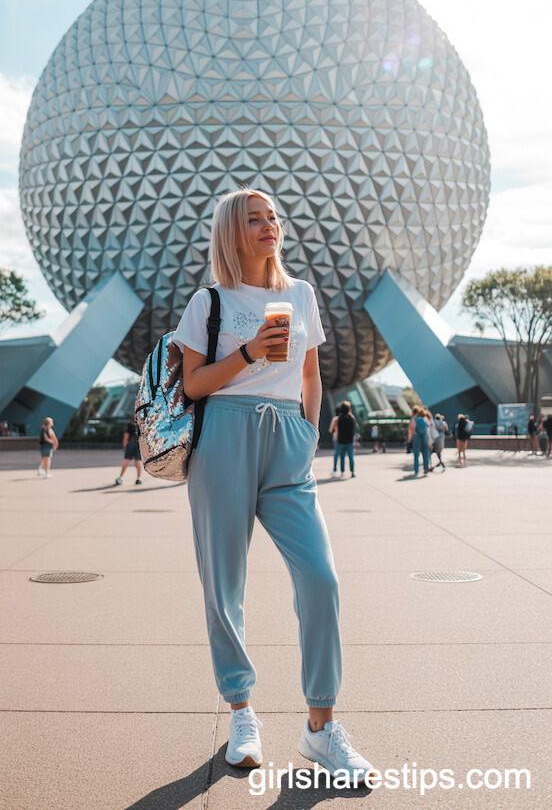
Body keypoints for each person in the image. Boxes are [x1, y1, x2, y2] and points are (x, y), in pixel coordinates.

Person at [173, 188, 374, 783]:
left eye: (273, 217)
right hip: (224, 437)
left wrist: (307, 431)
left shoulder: (301, 294)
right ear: (232, 232)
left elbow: (310, 373)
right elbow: (192, 384)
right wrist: (249, 352)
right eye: (255, 219)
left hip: (288, 438)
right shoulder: (209, 301)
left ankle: (321, 727)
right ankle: (241, 712)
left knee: (321, 579)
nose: (270, 226)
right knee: (224, 585)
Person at [334, 401, 357, 478]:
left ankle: (342, 472)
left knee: (342, 457)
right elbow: (354, 429)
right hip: (350, 440)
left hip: (341, 440)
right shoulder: (351, 417)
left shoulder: (339, 418)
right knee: (351, 457)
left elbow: (338, 429)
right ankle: (352, 472)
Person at [409, 408, 430, 476]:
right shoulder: (425, 420)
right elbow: (428, 430)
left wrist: (409, 439)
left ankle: (416, 471)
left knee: (416, 455)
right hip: (425, 438)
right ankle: (426, 468)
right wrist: (430, 441)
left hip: (417, 438)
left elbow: (412, 429)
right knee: (425, 454)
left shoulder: (414, 420)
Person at [328, 403, 341, 478]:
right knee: (343, 455)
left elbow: (330, 429)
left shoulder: (335, 419)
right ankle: (343, 471)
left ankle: (335, 470)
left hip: (337, 438)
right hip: (346, 439)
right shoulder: (347, 417)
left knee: (336, 455)